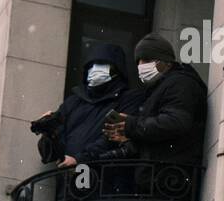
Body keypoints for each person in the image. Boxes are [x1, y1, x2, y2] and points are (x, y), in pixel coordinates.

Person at [102, 33, 207, 165]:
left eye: (146, 60)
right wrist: (128, 139)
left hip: (170, 176)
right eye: (138, 62)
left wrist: (132, 125)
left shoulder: (181, 83)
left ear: (166, 62)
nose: (141, 65)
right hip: (158, 175)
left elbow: (175, 122)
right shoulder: (156, 90)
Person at [30, 42, 133, 169]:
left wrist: (80, 159)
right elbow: (49, 155)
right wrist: (49, 132)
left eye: (101, 64)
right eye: (91, 66)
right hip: (68, 179)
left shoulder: (127, 100)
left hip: (104, 178)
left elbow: (112, 138)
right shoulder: (73, 102)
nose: (95, 69)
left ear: (116, 69)